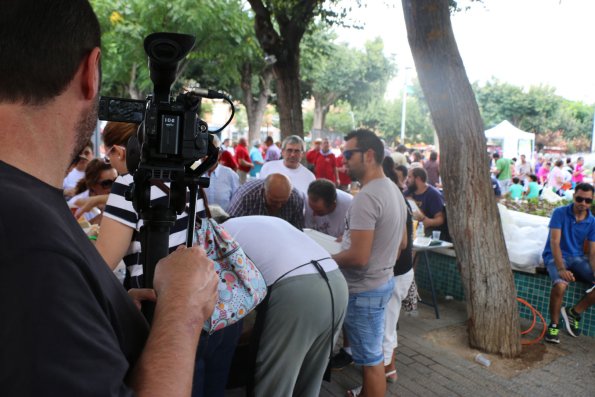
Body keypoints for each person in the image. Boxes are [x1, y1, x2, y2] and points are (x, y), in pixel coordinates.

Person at [0, 2, 218, 395]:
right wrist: (183, 310)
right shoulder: (29, 241)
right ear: (90, 71)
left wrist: (102, 307)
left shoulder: (26, 213)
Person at [222, 215, 349, 397]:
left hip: (297, 290)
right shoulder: (266, 222)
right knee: (310, 379)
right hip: (336, 281)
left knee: (275, 383)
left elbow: (229, 300)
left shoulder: (221, 234)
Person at [331, 129, 407, 397]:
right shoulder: (393, 190)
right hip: (380, 283)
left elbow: (359, 258)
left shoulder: (368, 196)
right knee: (372, 356)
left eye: (349, 154)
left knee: (371, 361)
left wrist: (327, 258)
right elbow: (399, 244)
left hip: (364, 291)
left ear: (370, 155)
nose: (344, 160)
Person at [542, 183, 595, 343]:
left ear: (591, 201)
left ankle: (574, 312)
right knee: (560, 285)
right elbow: (555, 242)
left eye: (587, 201)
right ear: (573, 197)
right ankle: (554, 325)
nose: (583, 204)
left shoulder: (592, 221)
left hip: (577, 257)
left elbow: (592, 253)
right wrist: (561, 268)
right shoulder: (560, 213)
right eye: (579, 199)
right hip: (555, 256)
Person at [227, 173, 305, 230]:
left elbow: (297, 231)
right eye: (274, 201)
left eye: (283, 202)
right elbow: (230, 228)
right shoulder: (246, 196)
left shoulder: (296, 198)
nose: (279, 206)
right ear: (264, 191)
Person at [405, 167, 450, 242]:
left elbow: (440, 219)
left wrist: (428, 222)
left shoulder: (433, 194)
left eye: (409, 177)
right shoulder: (408, 193)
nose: (407, 180)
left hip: (429, 234)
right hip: (411, 231)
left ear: (418, 179)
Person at [67, 158, 117, 223]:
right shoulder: (76, 206)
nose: (114, 187)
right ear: (92, 185)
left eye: (117, 181)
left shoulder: (120, 196)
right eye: (107, 183)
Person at [203, 135, 240, 212]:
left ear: (219, 154)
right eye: (203, 151)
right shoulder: (193, 175)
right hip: (198, 222)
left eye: (210, 152)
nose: (206, 156)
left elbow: (237, 203)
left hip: (224, 222)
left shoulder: (230, 175)